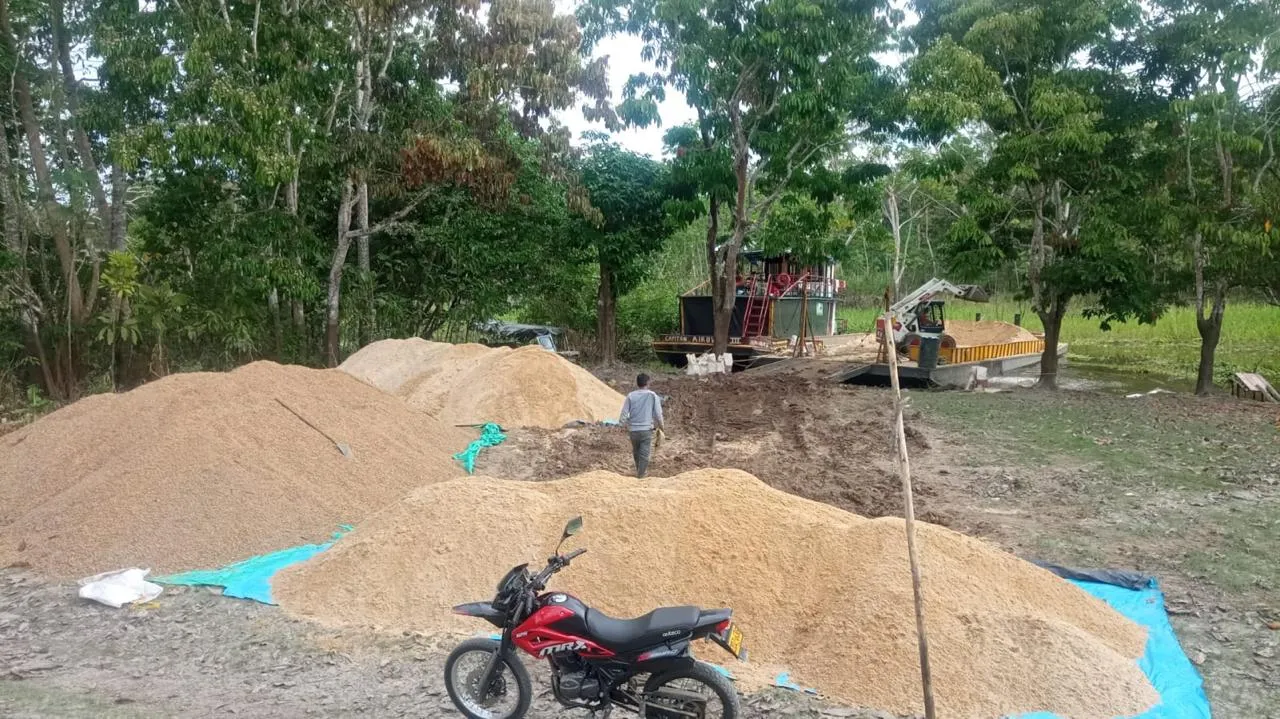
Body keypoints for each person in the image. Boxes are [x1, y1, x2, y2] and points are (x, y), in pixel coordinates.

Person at [618, 373, 664, 478]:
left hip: (633, 430)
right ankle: (641, 475)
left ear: (637, 383)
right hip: (646, 429)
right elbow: (658, 414)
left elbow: (624, 413)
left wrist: (621, 424)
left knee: (636, 452)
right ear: (648, 382)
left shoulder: (630, 396)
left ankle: (639, 471)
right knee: (644, 454)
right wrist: (661, 427)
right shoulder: (652, 395)